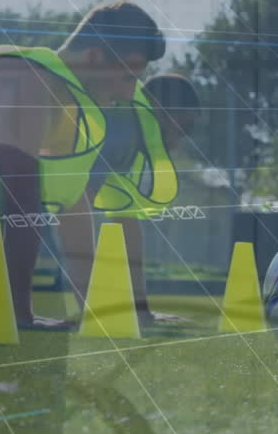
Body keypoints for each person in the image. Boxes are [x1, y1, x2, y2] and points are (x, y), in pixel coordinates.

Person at [0, 0, 166, 329]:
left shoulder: (64, 101)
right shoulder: (30, 81)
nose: (130, 93)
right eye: (127, 76)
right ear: (94, 58)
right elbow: (23, 203)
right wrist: (20, 313)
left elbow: (72, 207)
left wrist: (97, 310)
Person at [86, 73, 200, 325]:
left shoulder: (132, 133)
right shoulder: (121, 131)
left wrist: (141, 311)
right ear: (160, 110)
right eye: (184, 128)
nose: (183, 139)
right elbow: (77, 207)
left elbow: (125, 221)